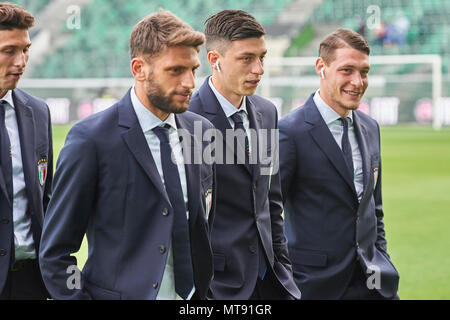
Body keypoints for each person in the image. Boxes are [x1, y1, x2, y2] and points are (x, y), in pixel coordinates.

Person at [39, 10, 215, 300]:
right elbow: (57, 253)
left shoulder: (202, 132)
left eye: (193, 69)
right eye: (176, 70)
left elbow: (205, 229)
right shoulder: (91, 140)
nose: (189, 82)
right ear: (139, 69)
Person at [279, 29, 399, 300]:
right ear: (321, 67)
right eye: (347, 70)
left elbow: (373, 209)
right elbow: (269, 217)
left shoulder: (370, 127)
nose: (358, 82)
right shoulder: (289, 132)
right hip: (313, 286)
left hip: (373, 282)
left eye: (364, 71)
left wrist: (382, 260)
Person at [189, 9, 300, 300]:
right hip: (218, 286)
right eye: (246, 59)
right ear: (214, 60)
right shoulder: (186, 119)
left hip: (272, 282)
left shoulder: (267, 112)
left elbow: (271, 202)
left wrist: (282, 268)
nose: (259, 69)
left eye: (262, 57)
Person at [0, 2, 52, 300]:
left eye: (25, 49)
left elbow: (46, 197)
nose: (21, 61)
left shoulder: (38, 112)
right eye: (10, 50)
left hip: (31, 283)